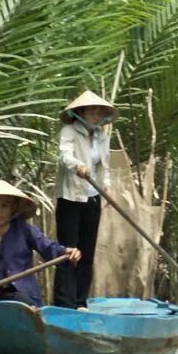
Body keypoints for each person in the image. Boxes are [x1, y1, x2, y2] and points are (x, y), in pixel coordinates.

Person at [0, 181, 80, 309]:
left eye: (5, 206)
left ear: (13, 209)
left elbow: (48, 248)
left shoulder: (25, 229)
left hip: (23, 293)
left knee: (24, 310)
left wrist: (66, 252)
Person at [55, 90, 116, 309]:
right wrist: (77, 166)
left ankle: (80, 301)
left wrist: (106, 187)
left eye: (99, 112)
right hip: (71, 197)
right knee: (69, 251)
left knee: (87, 251)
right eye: (91, 111)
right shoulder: (69, 131)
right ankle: (64, 303)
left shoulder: (102, 135)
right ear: (80, 112)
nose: (96, 115)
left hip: (93, 197)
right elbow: (65, 156)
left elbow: (104, 165)